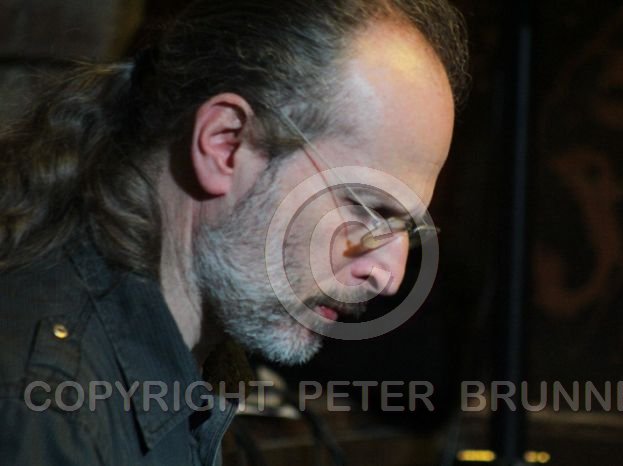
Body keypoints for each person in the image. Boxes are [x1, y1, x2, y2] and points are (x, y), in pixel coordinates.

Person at [0, 0, 468, 464]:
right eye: (369, 209)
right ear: (226, 144)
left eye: (404, 226)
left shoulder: (183, 369)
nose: (390, 277)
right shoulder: (49, 410)